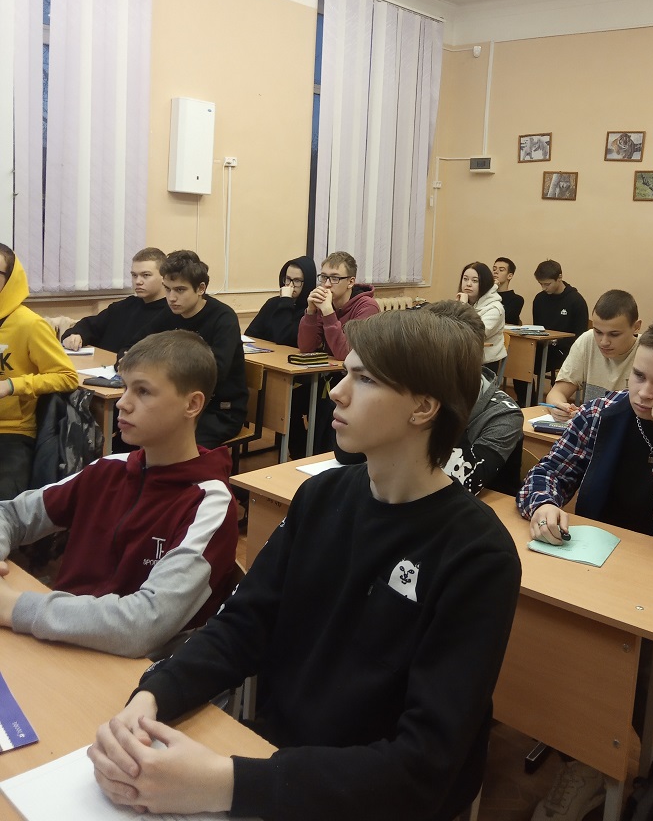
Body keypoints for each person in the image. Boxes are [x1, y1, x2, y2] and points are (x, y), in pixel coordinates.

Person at [88, 308, 522, 821]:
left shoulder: (478, 554)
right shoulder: (323, 495)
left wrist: (223, 784)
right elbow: (244, 623)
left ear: (423, 407)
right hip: (276, 761)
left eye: (364, 379)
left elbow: (423, 767)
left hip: (365, 799)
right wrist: (153, 696)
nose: (337, 392)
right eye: (345, 373)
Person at [518, 313, 653, 819]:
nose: (644, 392)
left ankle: (651, 780)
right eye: (639, 375)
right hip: (587, 579)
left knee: (638, 667)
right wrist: (545, 503)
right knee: (545, 637)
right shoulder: (602, 414)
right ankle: (589, 758)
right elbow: (546, 473)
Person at [0, 331, 238, 657]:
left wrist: (15, 607)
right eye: (125, 387)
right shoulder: (108, 470)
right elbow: (11, 514)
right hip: (62, 645)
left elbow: (145, 624)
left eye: (143, 391)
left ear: (192, 404)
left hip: (134, 671)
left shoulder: (208, 503)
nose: (123, 403)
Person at [334, 301, 524, 495]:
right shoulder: (412, 394)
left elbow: (460, 485)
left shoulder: (504, 414)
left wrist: (450, 399)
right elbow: (347, 455)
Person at [139, 250, 248, 449]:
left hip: (220, 410)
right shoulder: (170, 313)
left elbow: (216, 372)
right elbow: (139, 344)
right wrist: (126, 357)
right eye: (167, 289)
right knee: (136, 430)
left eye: (180, 290)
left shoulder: (223, 318)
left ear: (201, 288)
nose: (171, 298)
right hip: (179, 403)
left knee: (176, 446)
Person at [0, 244, 79, 500]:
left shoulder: (29, 324)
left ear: (10, 280)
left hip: (11, 431)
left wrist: (12, 385)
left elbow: (67, 377)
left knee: (6, 504)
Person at [546, 290, 641, 421]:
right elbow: (557, 392)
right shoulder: (587, 340)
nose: (604, 342)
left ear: (636, 327)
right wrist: (558, 407)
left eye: (614, 334)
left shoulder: (648, 351)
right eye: (598, 332)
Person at [61, 248, 168, 353]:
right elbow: (89, 325)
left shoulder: (169, 313)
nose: (138, 281)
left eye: (146, 275)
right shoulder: (124, 306)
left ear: (164, 277)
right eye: (134, 275)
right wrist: (75, 336)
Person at [297, 251, 379, 360]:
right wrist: (311, 312)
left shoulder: (367, 307)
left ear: (350, 282)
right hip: (330, 368)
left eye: (335, 278)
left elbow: (346, 354)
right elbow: (306, 348)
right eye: (324, 277)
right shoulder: (326, 302)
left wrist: (328, 313)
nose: (327, 284)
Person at [244, 256, 317, 348]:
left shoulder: (311, 310)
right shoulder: (273, 303)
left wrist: (286, 300)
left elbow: (284, 338)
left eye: (297, 281)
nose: (290, 285)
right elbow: (250, 335)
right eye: (288, 279)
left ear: (307, 283)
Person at [531, 260, 589, 371]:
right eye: (541, 284)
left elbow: (580, 336)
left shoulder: (576, 300)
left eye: (547, 284)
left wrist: (555, 341)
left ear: (559, 277)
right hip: (543, 348)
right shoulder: (539, 299)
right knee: (519, 360)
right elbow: (537, 328)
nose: (544, 288)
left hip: (565, 350)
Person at [456, 261, 505, 371]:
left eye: (475, 281)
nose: (468, 284)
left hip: (484, 364)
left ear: (485, 283)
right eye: (465, 279)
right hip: (463, 358)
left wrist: (463, 306)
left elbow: (473, 334)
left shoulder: (495, 309)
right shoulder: (463, 302)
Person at [492, 257, 524, 325]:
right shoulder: (486, 294)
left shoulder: (517, 300)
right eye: (494, 269)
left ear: (509, 276)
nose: (495, 272)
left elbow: (504, 319)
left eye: (501, 270)